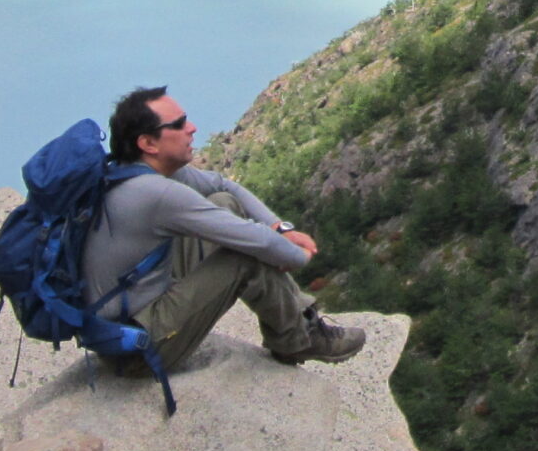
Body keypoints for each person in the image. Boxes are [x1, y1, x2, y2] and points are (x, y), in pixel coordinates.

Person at [85, 86, 367, 370]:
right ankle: (298, 339)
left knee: (223, 202)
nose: (192, 128)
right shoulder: (157, 194)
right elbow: (258, 242)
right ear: (148, 143)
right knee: (244, 254)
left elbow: (222, 185)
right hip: (137, 349)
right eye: (179, 124)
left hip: (133, 318)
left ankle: (300, 319)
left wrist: (279, 227)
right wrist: (297, 255)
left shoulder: (127, 171)